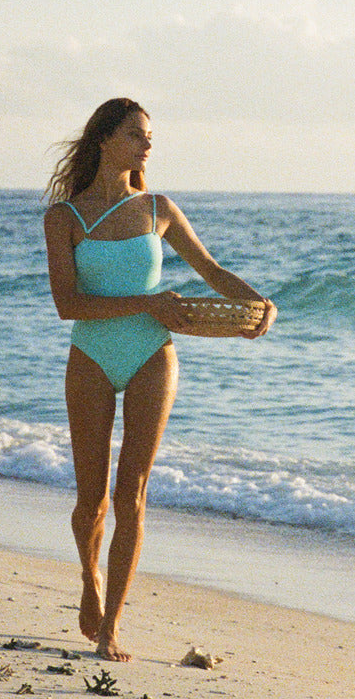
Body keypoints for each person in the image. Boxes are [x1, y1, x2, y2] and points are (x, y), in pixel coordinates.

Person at [43, 98, 276, 661]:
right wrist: (148, 301)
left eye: (150, 136)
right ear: (105, 140)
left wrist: (261, 304)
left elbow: (212, 271)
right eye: (136, 135)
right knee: (90, 500)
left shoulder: (158, 209)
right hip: (92, 356)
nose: (148, 144)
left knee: (134, 495)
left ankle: (111, 627)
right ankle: (89, 578)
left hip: (153, 354)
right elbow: (68, 304)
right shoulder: (64, 219)